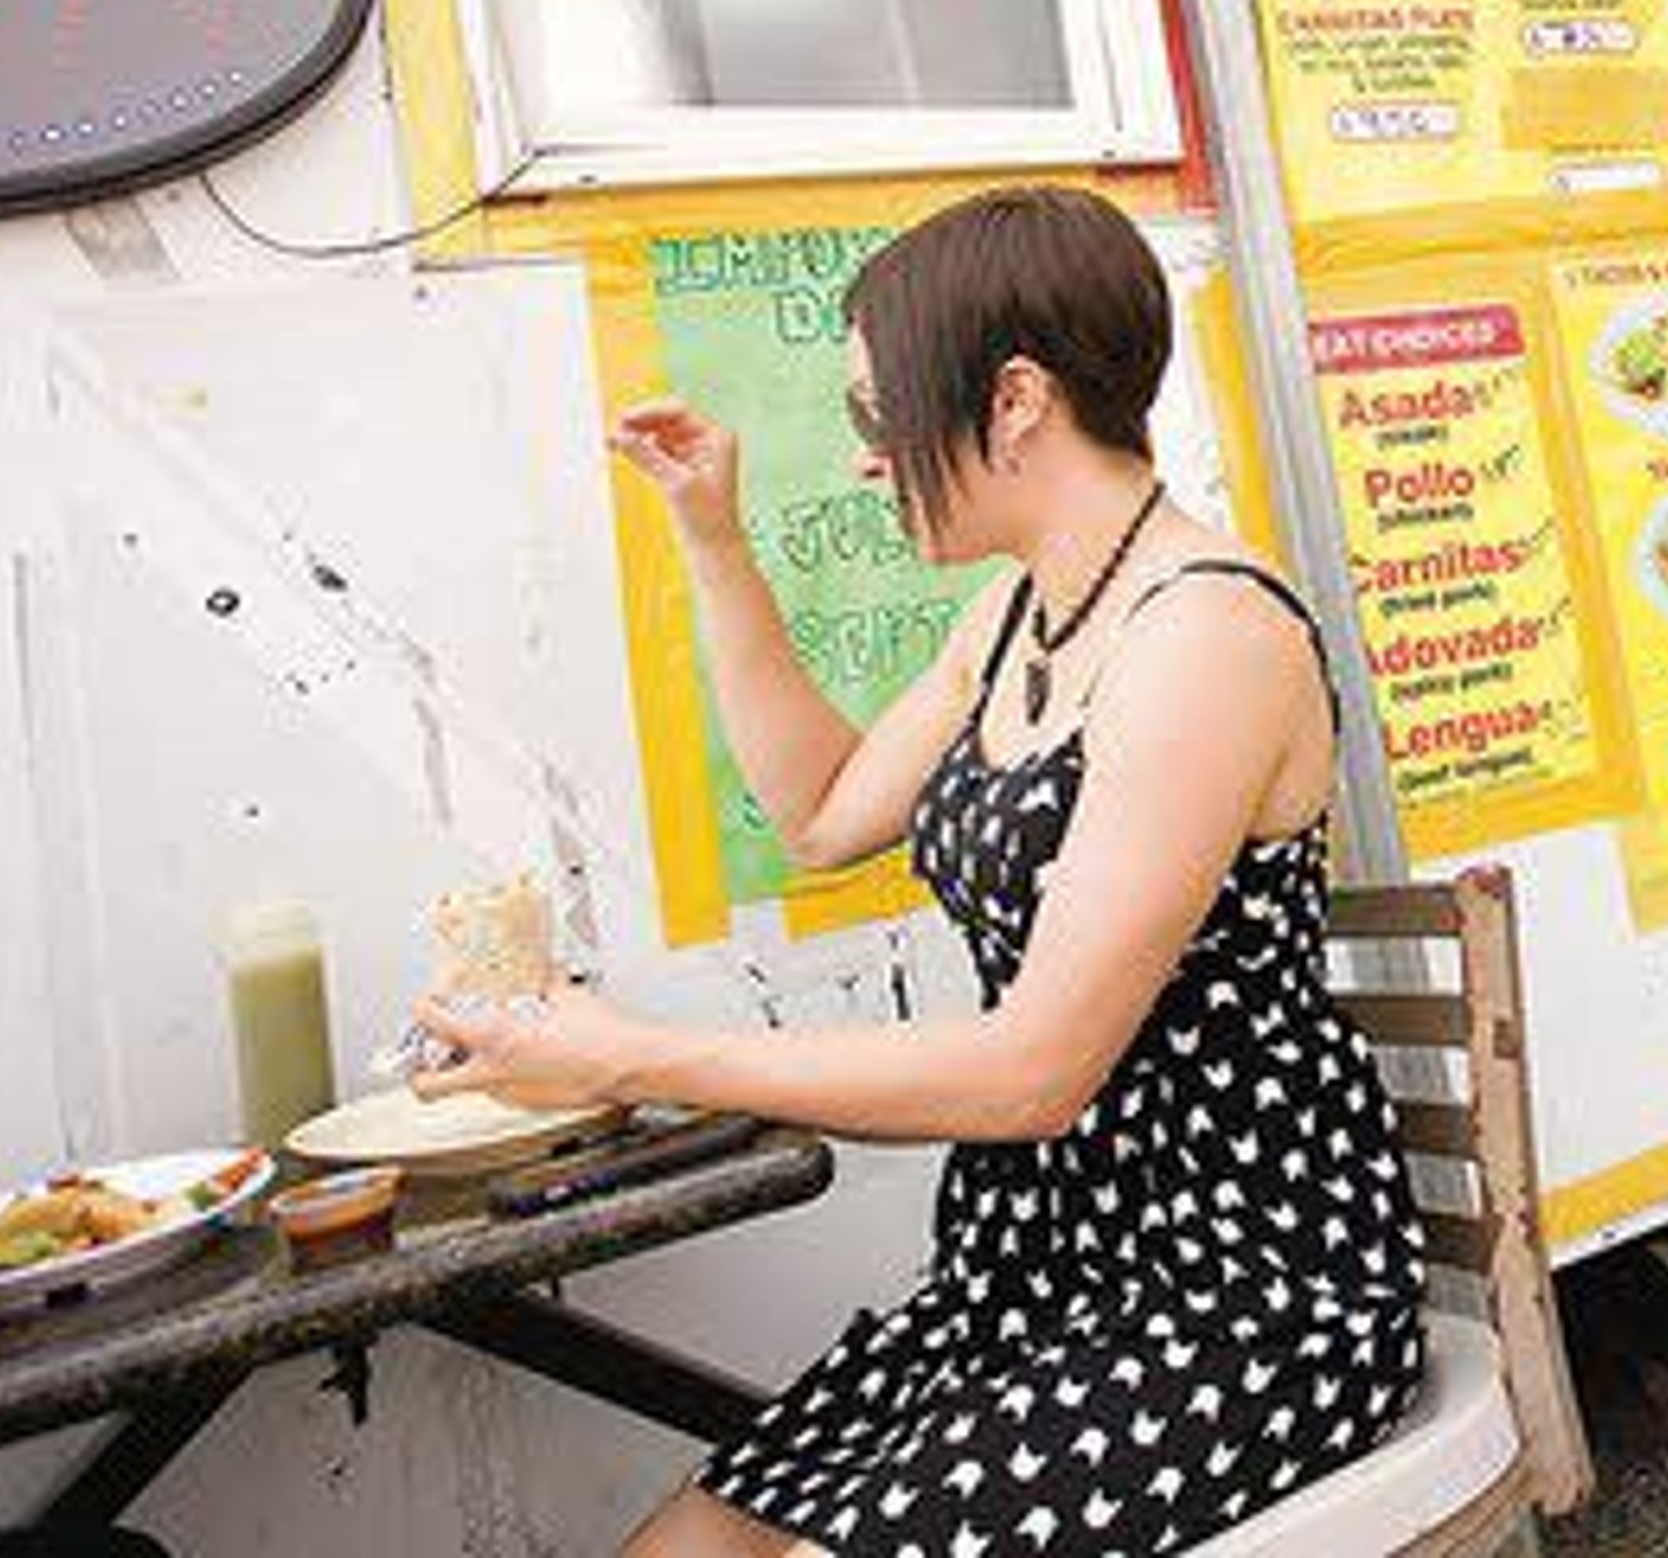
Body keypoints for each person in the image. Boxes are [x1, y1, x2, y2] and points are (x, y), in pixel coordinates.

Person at [421, 185, 1427, 1553]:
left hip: (1234, 1293)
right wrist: (714, 536)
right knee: (681, 1549)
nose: (865, 460)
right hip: (1035, 1274)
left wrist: (627, 1057)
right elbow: (823, 811)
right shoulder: (1016, 615)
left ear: (1013, 401)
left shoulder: (1206, 637)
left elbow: (1034, 1070)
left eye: (873, 417)